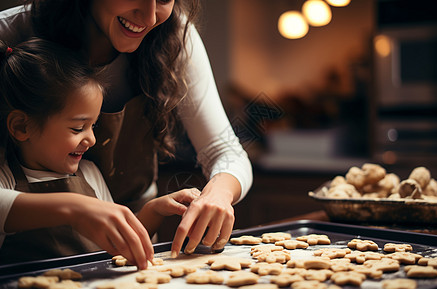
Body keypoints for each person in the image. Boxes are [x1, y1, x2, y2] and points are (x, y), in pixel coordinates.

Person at [0, 1, 253, 268]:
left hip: (126, 250)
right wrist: (75, 209)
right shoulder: (9, 32)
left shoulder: (172, 35)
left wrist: (218, 193)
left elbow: (224, 149)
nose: (150, 15)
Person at [0, 38, 202, 266]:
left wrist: (154, 210)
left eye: (93, 126)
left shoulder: (90, 174)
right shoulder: (6, 178)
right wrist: (75, 209)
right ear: (21, 127)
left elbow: (117, 245)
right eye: (78, 128)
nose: (92, 139)